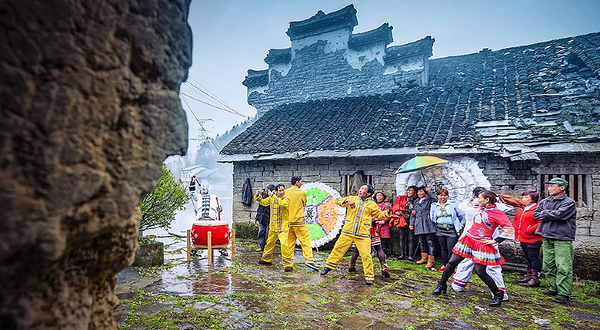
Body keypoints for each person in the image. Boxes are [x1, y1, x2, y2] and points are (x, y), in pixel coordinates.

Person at [432, 190, 515, 307]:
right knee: (451, 262)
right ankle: (442, 284)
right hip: (469, 239)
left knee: (480, 271)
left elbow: (509, 229)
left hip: (482, 243)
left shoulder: (497, 213)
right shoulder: (479, 207)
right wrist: (475, 196)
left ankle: (497, 293)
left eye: (480, 198)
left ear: (487, 200)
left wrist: (495, 240)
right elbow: (468, 203)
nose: (477, 199)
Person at [320, 184, 391, 285]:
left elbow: (379, 215)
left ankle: (369, 276)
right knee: (338, 249)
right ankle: (328, 267)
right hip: (348, 232)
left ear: (369, 193)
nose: (360, 190)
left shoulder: (372, 204)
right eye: (361, 188)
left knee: (366, 255)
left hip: (363, 235)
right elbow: (338, 201)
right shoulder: (352, 198)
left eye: (363, 189)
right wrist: (347, 201)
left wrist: (387, 212)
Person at [451, 186, 512, 301]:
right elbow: (503, 207)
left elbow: (465, 203)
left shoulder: (471, 205)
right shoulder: (485, 207)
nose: (478, 200)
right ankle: (500, 292)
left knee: (470, 263)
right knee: (490, 267)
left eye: (481, 198)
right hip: (474, 238)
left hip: (484, 240)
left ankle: (458, 285)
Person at [533, 178, 577, 304]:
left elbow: (560, 215)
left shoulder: (569, 202)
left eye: (553, 186)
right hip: (547, 235)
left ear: (562, 188)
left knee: (563, 266)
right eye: (549, 186)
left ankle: (563, 292)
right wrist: (548, 213)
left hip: (562, 238)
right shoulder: (545, 201)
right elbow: (536, 214)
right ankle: (554, 287)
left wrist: (545, 213)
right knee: (548, 265)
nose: (549, 188)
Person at [499, 190, 542, 287]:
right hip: (522, 237)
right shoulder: (522, 208)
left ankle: (535, 278)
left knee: (533, 257)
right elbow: (516, 220)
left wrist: (530, 230)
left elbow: (540, 222)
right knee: (527, 257)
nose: (523, 199)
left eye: (526, 197)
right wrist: (514, 229)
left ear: (533, 200)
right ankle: (528, 275)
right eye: (523, 197)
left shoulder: (537, 208)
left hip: (533, 237)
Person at [255, 184, 294, 272]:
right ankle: (266, 259)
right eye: (280, 190)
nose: (282, 192)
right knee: (269, 243)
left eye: (283, 190)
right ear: (276, 191)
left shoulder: (286, 198)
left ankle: (288, 264)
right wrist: (258, 195)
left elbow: (283, 204)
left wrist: (273, 196)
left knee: (284, 245)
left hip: (283, 227)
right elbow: (263, 202)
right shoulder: (271, 198)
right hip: (273, 226)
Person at [348, 204, 391, 278]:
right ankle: (384, 266)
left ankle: (351, 264)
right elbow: (377, 216)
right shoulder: (371, 205)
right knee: (378, 248)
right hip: (371, 229)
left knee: (358, 249)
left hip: (361, 230)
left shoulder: (357, 205)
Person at [286, 176, 319, 271]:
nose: (301, 184)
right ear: (297, 183)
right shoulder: (301, 192)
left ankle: (288, 263)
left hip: (288, 222)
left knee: (290, 243)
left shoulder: (286, 192)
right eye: (301, 182)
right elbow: (304, 203)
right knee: (305, 241)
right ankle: (309, 260)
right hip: (299, 221)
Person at [430, 189, 464, 272]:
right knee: (443, 248)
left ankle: (451, 266)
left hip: (451, 230)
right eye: (441, 195)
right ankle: (444, 264)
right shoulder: (434, 206)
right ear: (437, 196)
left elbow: (460, 215)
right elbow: (432, 217)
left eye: (445, 195)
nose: (443, 197)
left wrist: (456, 224)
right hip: (440, 229)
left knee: (451, 248)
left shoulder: (453, 204)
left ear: (448, 196)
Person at [410, 186, 437, 268]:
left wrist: (429, 192)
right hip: (418, 223)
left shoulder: (429, 199)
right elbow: (413, 213)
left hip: (427, 222)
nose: (419, 193)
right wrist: (411, 223)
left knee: (430, 242)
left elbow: (436, 200)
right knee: (421, 242)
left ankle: (431, 260)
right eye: (418, 192)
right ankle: (424, 258)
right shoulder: (416, 202)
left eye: (421, 191)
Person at [196, 187, 227, 256]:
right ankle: (194, 249)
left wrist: (220, 208)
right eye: (202, 189)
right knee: (198, 235)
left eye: (205, 188)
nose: (203, 188)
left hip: (212, 219)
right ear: (200, 191)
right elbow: (192, 192)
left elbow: (220, 207)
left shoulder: (214, 197)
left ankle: (221, 249)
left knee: (216, 235)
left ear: (208, 190)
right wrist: (192, 182)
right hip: (201, 220)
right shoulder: (198, 197)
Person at [391, 186, 417, 260]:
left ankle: (410, 255)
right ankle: (402, 253)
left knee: (411, 237)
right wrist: (396, 211)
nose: (410, 192)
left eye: (412, 191)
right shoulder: (402, 198)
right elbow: (395, 206)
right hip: (402, 219)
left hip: (411, 220)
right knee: (401, 236)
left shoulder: (416, 200)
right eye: (409, 190)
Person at [255, 184, 275, 250]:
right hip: (261, 217)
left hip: (269, 218)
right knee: (261, 233)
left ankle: (267, 249)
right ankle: (262, 247)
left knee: (268, 235)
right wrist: (257, 194)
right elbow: (260, 200)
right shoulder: (263, 194)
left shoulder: (273, 197)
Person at [373, 192, 392, 256]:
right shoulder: (372, 204)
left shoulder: (386, 204)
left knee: (383, 239)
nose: (379, 197)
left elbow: (389, 214)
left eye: (380, 195)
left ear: (383, 197)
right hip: (374, 224)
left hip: (383, 224)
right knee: (374, 238)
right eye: (378, 195)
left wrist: (384, 221)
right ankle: (374, 252)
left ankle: (383, 252)